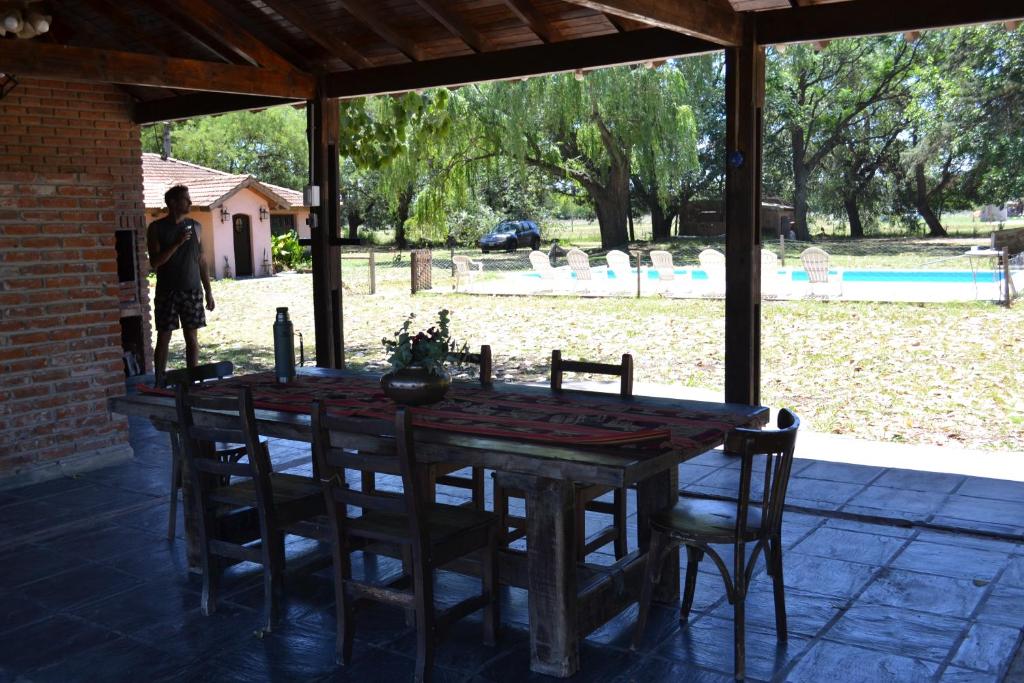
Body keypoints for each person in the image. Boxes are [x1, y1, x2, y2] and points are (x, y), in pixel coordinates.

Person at [147, 185, 215, 387]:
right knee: (164, 336)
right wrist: (177, 243)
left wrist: (209, 291)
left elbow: (202, 261)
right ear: (173, 203)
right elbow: (155, 262)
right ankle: (160, 380)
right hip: (167, 291)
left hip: (192, 290)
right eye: (186, 199)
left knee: (191, 337)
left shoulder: (196, 227)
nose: (190, 202)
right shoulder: (156, 228)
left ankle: (191, 380)